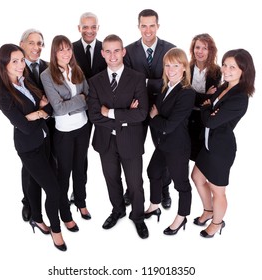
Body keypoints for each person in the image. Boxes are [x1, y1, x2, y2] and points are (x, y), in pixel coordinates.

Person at [0, 44, 66, 251]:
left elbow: (50, 107)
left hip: (44, 139)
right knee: (54, 190)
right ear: (4, 65)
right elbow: (24, 127)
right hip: (28, 147)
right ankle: (55, 229)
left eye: (21, 60)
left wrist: (37, 113)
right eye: (14, 61)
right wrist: (39, 111)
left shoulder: (26, 81)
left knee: (35, 184)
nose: (20, 65)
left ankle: (36, 218)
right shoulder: (3, 93)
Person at [87, 34, 149, 239]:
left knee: (134, 184)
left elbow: (140, 114)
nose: (113, 55)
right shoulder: (95, 81)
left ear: (123, 52)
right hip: (106, 142)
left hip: (131, 140)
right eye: (108, 51)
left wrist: (111, 112)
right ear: (102, 53)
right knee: (111, 180)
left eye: (117, 50)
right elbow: (94, 115)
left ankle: (138, 217)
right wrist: (124, 116)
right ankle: (118, 210)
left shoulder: (138, 77)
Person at [191, 49, 256, 238]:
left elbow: (210, 120)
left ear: (243, 71)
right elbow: (208, 105)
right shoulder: (224, 86)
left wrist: (206, 108)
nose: (226, 69)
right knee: (196, 177)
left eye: (232, 67)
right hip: (208, 144)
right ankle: (208, 211)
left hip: (221, 149)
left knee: (218, 191)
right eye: (225, 64)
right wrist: (208, 107)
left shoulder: (240, 97)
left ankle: (217, 223)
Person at [123, 9, 175, 209]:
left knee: (165, 149)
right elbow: (128, 83)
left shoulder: (170, 50)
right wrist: (154, 82)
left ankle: (164, 189)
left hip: (162, 110)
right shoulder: (128, 51)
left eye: (151, 25)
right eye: (143, 25)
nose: (147, 30)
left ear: (158, 26)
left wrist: (144, 82)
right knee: (133, 152)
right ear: (138, 27)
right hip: (136, 109)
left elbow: (171, 81)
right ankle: (132, 189)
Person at [40, 35, 91, 229]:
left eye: (68, 48)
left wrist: (76, 102)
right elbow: (59, 109)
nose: (66, 53)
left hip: (83, 127)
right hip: (64, 132)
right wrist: (80, 99)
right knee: (64, 173)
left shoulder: (77, 69)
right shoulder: (47, 75)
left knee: (80, 169)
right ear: (54, 52)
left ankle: (81, 203)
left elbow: (89, 94)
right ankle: (66, 214)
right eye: (61, 49)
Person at [145, 48, 195, 235]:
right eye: (167, 65)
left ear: (184, 67)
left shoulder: (186, 92)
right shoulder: (166, 87)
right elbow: (159, 116)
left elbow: (168, 125)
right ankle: (155, 205)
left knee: (181, 183)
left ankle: (181, 218)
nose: (170, 69)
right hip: (163, 144)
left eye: (175, 65)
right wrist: (156, 117)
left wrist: (154, 117)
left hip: (177, 146)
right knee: (153, 171)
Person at [18, 28, 55, 223]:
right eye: (31, 43)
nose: (36, 47)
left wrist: (45, 110)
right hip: (29, 129)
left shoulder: (49, 67)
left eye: (40, 43)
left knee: (50, 163)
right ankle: (29, 203)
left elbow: (54, 98)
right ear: (22, 44)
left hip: (50, 126)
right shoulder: (16, 69)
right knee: (30, 168)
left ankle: (51, 201)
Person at [70, 12, 107, 204]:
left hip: (104, 109)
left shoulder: (106, 48)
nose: (89, 31)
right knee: (79, 153)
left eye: (93, 27)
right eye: (85, 27)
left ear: (98, 28)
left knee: (111, 150)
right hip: (80, 110)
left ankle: (120, 193)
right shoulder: (71, 49)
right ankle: (78, 192)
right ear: (79, 28)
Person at [188, 33, 221, 161]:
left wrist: (195, 96)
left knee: (200, 158)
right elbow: (184, 96)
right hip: (187, 116)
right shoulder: (186, 68)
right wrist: (205, 95)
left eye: (204, 48)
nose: (200, 51)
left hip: (203, 118)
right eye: (197, 47)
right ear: (193, 49)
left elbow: (211, 100)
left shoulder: (216, 71)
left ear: (210, 51)